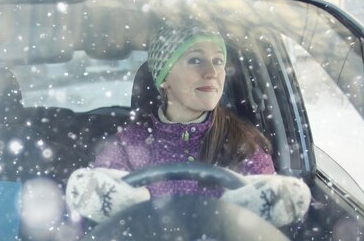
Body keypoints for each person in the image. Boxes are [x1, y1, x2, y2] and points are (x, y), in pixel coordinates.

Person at [66, 20, 311, 227]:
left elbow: (266, 236)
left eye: (218, 61)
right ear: (164, 78)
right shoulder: (128, 144)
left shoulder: (245, 144)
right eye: (196, 60)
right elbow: (96, 216)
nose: (211, 72)